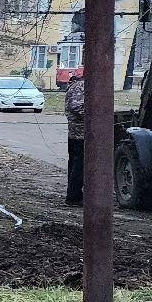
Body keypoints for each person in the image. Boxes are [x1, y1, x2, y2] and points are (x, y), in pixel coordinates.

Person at [64, 67, 85, 206]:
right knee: (79, 166)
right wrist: (97, 115)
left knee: (75, 164)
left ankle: (74, 194)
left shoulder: (76, 86)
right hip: (80, 134)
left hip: (76, 133)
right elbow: (76, 107)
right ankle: (73, 196)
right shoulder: (81, 86)